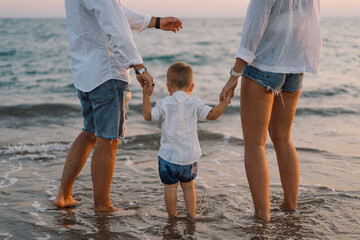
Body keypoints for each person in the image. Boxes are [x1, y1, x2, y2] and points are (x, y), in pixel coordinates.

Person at [54, 0, 182, 212]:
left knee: (90, 133)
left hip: (86, 71)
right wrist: (140, 68)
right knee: (108, 139)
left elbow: (117, 13)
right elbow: (115, 24)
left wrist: (157, 22)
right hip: (106, 72)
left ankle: (64, 195)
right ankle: (102, 206)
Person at [220, 0, 322, 221]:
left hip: (263, 67)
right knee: (283, 138)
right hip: (295, 69)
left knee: (255, 144)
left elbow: (251, 35)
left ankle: (262, 216)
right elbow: (307, 27)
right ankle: (290, 206)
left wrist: (233, 76)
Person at [143, 62, 231, 218]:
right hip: (188, 157)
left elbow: (148, 116)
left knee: (170, 188)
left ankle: (172, 217)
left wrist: (145, 95)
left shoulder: (164, 103)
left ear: (168, 87)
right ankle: (192, 216)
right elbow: (212, 115)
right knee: (189, 187)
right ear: (191, 87)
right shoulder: (195, 103)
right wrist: (223, 103)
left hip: (168, 157)